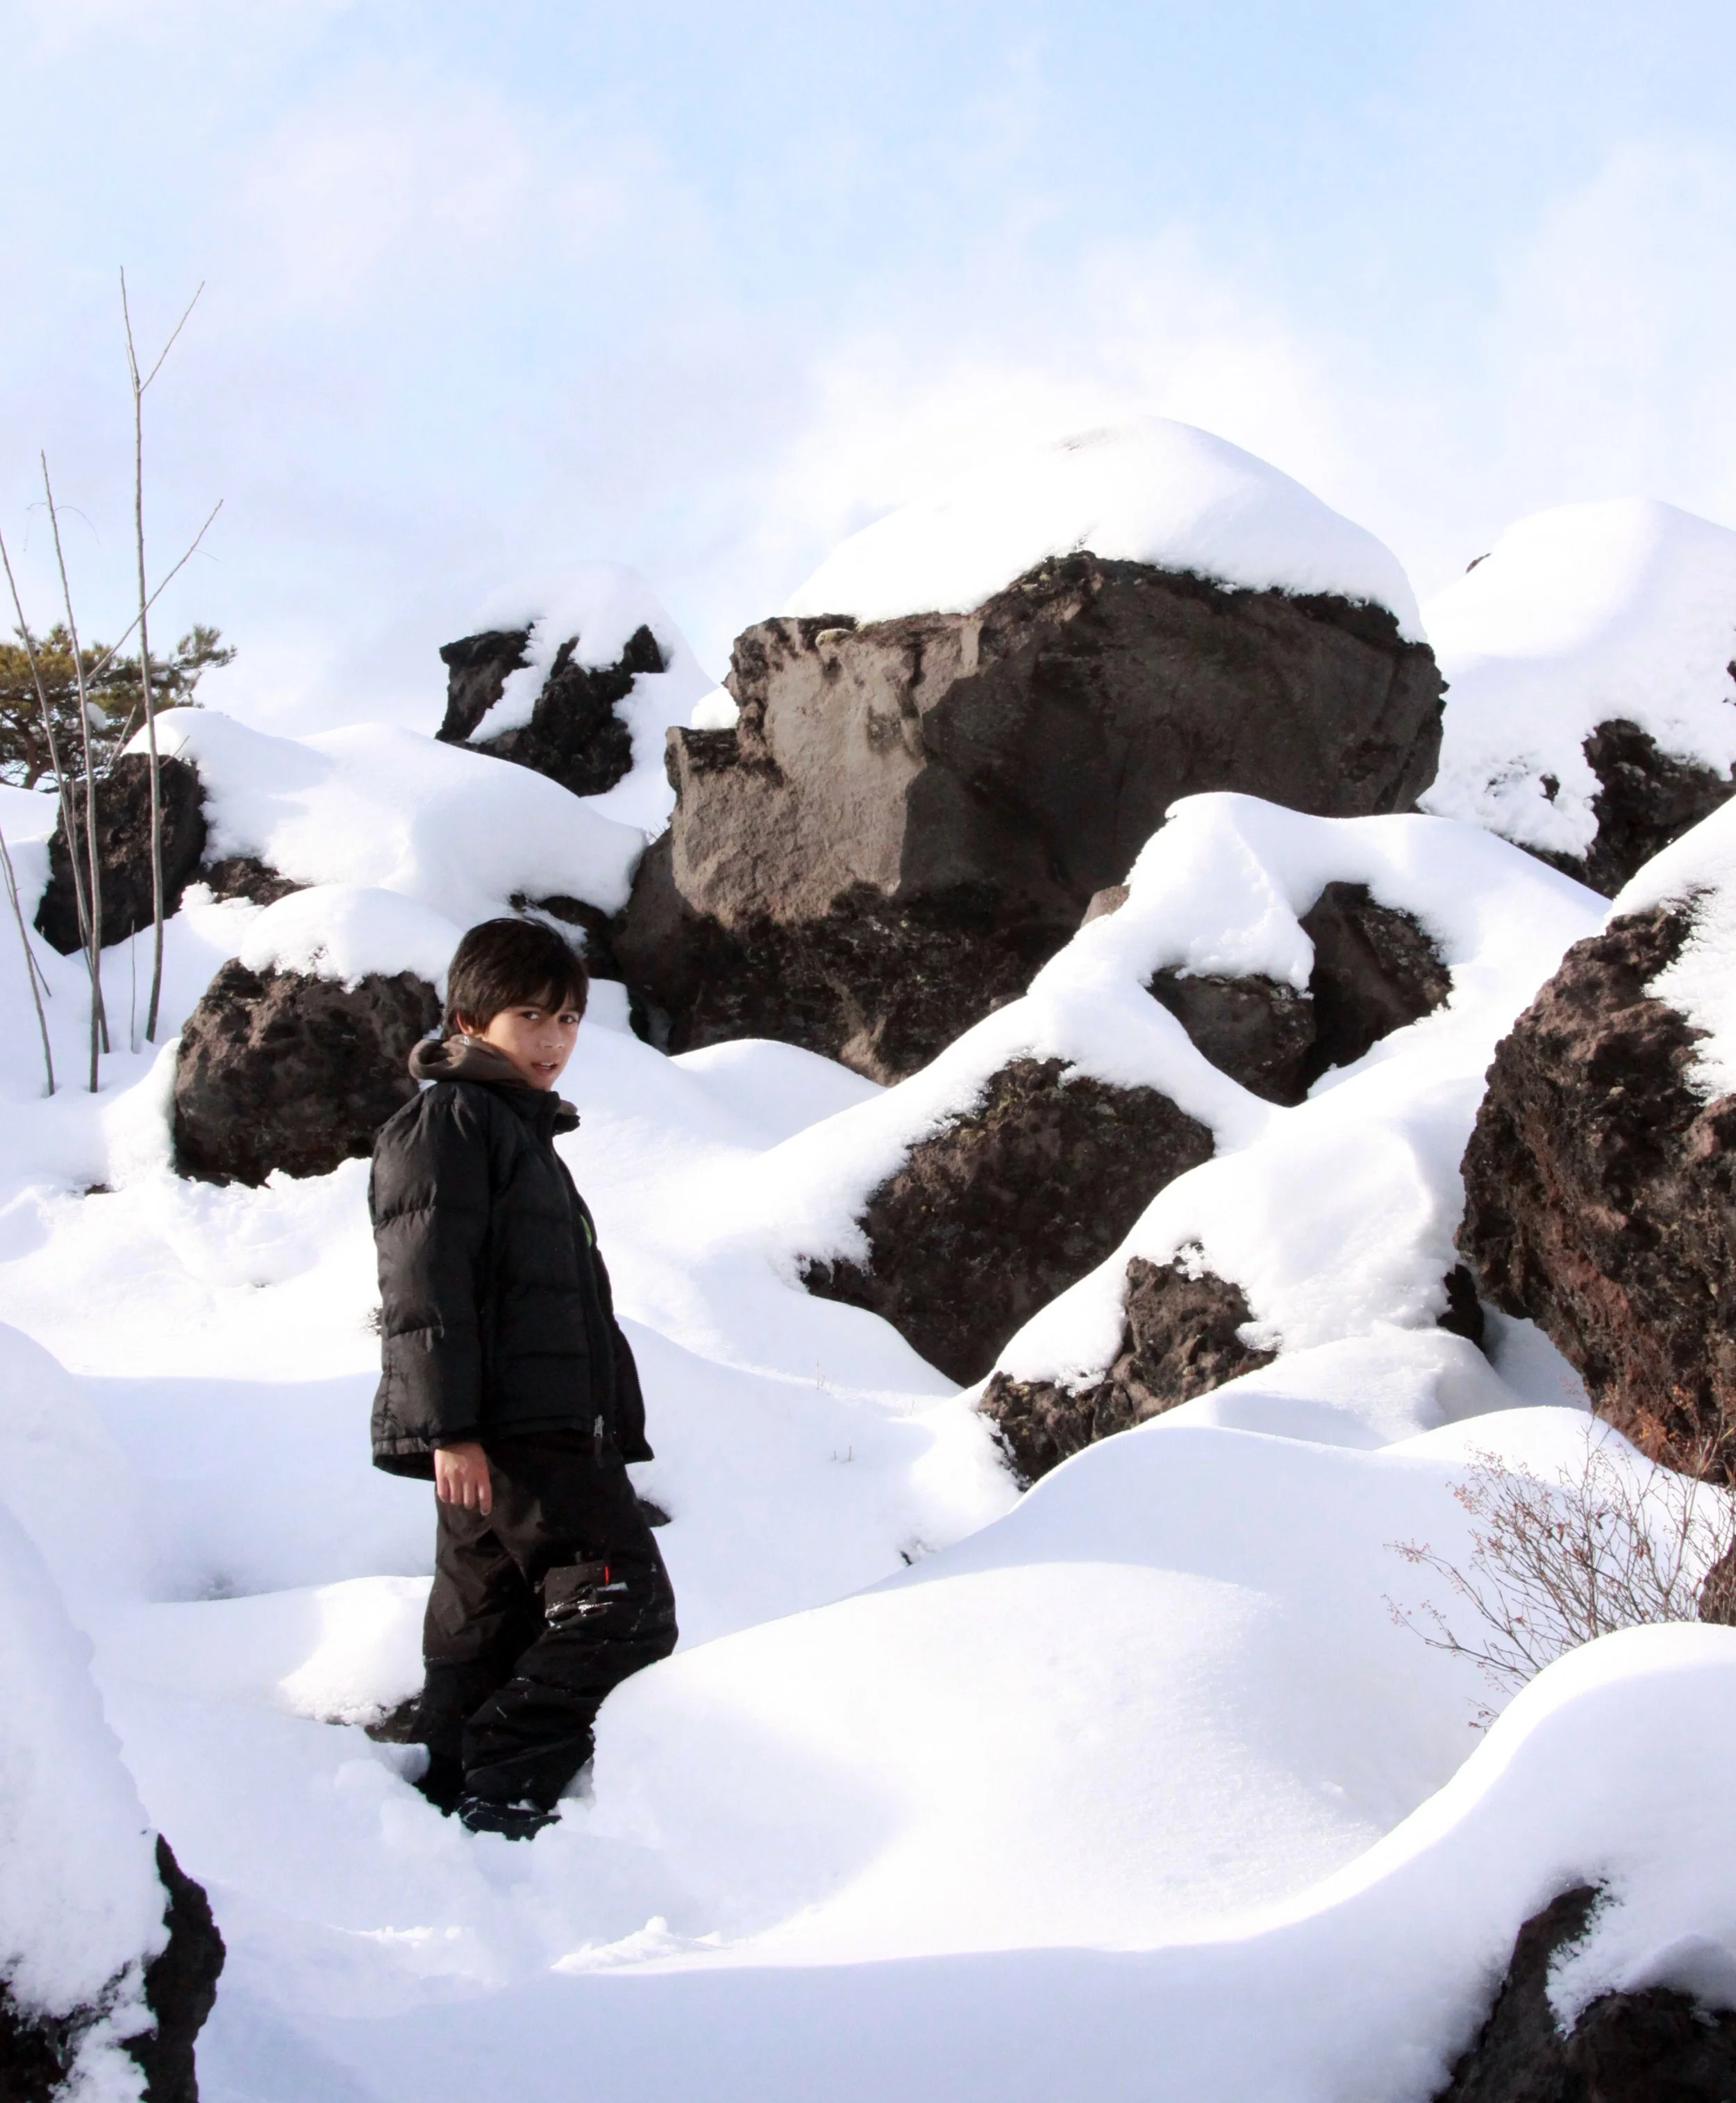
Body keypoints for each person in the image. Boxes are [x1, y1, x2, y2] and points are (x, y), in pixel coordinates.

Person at [368, 916, 677, 1839]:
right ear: (468, 1019)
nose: (553, 1041)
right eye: (531, 1015)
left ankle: (451, 1796)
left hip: (523, 1425)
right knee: (624, 1602)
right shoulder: (453, 1123)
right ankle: (506, 1783)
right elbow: (426, 1289)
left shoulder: (511, 1129)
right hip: (511, 1430)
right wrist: (448, 1429)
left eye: (571, 1020)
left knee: (487, 1618)